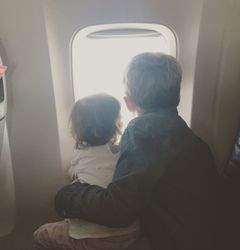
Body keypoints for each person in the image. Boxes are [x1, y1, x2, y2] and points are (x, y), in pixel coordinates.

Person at [55, 53, 220, 250]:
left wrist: (68, 195)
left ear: (129, 102)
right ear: (177, 96)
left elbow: (118, 210)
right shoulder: (191, 139)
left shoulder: (141, 130)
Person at [33, 94, 140, 250]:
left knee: (41, 234)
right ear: (116, 125)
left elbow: (72, 174)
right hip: (130, 233)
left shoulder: (82, 153)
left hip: (90, 239)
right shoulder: (124, 151)